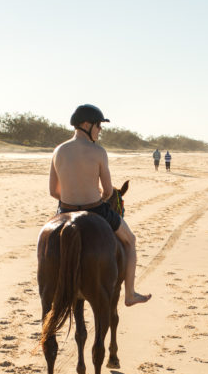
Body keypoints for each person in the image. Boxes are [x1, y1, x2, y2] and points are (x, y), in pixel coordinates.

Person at [49, 104, 151, 306]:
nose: (100, 130)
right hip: (95, 208)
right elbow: (108, 191)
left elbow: (53, 191)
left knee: (47, 243)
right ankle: (130, 294)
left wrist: (71, 198)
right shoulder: (98, 152)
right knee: (130, 240)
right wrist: (95, 199)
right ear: (86, 125)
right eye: (98, 125)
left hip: (65, 210)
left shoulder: (58, 150)